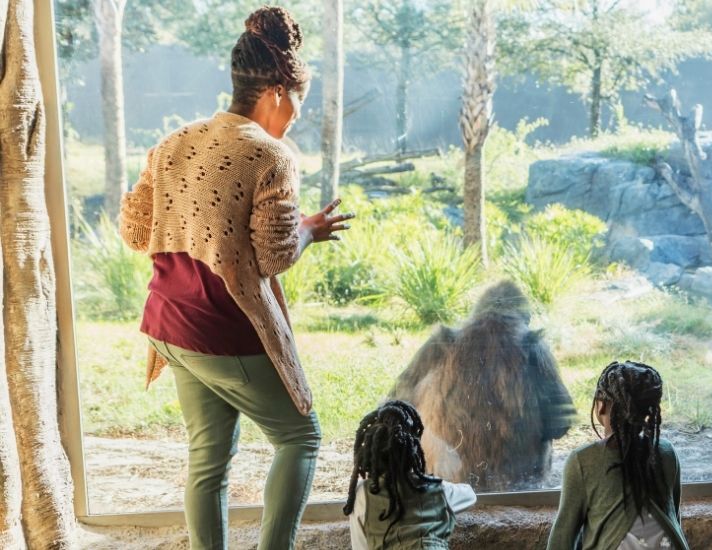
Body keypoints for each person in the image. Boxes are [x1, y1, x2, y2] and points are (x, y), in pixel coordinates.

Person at [119, 7, 353, 549]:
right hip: (222, 330)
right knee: (300, 438)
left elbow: (136, 231)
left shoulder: (174, 142)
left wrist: (294, 226)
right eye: (298, 101)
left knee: (208, 457)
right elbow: (272, 258)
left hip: (167, 326)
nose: (296, 114)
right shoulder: (269, 154)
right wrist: (309, 234)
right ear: (276, 92)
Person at [547, 361, 687, 550]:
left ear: (601, 405)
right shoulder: (666, 452)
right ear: (648, 410)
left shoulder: (583, 460)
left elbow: (562, 537)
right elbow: (673, 516)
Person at [344, 400, 477, 550]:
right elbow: (470, 495)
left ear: (370, 454)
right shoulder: (437, 490)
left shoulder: (363, 495)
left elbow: (360, 546)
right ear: (413, 451)